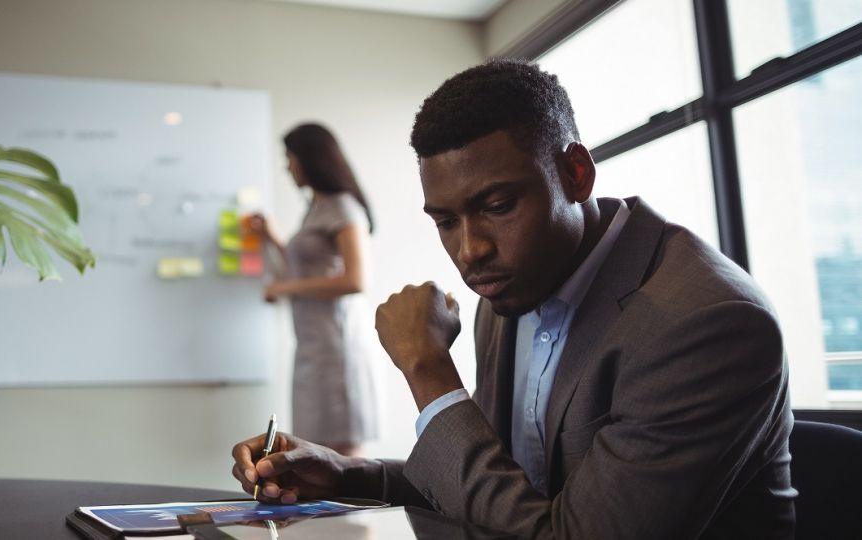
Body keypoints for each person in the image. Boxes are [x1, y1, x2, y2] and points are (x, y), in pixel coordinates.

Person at [230, 60, 795, 539]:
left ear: (576, 174)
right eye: (446, 221)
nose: (470, 250)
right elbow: (502, 490)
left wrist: (429, 373)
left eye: (498, 205)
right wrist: (351, 477)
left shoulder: (706, 323)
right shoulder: (509, 292)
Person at [251, 122, 379, 457]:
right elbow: (306, 266)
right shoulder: (316, 209)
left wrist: (283, 287)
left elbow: (355, 280)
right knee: (315, 454)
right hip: (312, 348)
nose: (286, 166)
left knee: (343, 457)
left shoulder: (343, 208)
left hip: (337, 352)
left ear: (309, 159)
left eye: (289, 157)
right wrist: (272, 238)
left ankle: (353, 514)